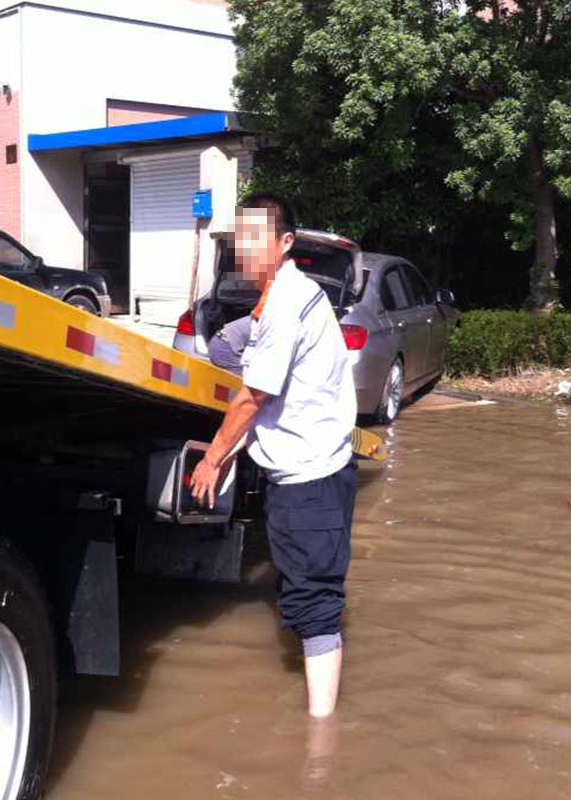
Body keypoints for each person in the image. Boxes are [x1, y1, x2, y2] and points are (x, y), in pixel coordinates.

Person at [190, 193, 357, 718]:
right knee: (305, 592)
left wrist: (213, 458)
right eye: (240, 238)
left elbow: (251, 398)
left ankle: (320, 742)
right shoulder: (285, 297)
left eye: (256, 237)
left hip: (310, 477)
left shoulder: (285, 302)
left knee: (313, 602)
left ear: (283, 243)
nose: (246, 248)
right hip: (310, 471)